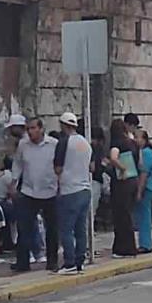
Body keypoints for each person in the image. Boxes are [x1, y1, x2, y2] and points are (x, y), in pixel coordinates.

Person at [11, 118, 60, 272]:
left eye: (33, 128)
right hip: (28, 190)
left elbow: (59, 164)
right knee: (24, 227)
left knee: (51, 228)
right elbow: (18, 164)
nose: (30, 132)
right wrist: (13, 183)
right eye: (28, 129)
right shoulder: (23, 145)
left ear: (41, 129)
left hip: (50, 190)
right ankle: (22, 262)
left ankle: (52, 260)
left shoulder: (53, 144)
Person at [54, 113, 92, 273]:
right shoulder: (85, 143)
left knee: (66, 228)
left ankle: (69, 262)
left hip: (70, 190)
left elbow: (58, 168)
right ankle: (79, 260)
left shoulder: (64, 142)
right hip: (85, 189)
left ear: (63, 125)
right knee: (80, 229)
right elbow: (91, 166)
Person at [106, 120, 140, 259]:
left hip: (121, 182)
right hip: (133, 180)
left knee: (120, 215)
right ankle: (129, 246)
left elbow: (113, 158)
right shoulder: (132, 143)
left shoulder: (116, 143)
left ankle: (123, 248)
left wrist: (121, 168)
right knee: (128, 214)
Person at [136, 129, 152, 249]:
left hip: (146, 187)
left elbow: (144, 173)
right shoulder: (142, 152)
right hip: (147, 186)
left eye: (138, 137)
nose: (135, 139)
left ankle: (145, 243)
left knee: (144, 215)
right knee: (143, 214)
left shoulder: (146, 153)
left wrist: (139, 190)